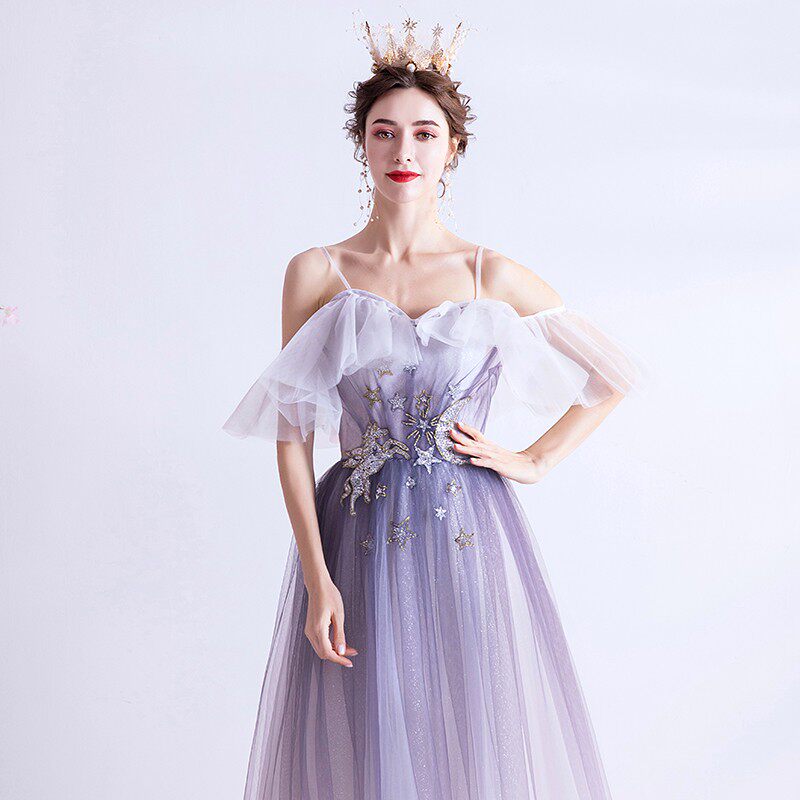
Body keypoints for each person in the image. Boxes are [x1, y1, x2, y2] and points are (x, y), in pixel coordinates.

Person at [223, 16, 648, 800]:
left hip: (468, 534)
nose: (405, 151)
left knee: (465, 733)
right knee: (369, 739)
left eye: (425, 134)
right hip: (355, 535)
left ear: (453, 147)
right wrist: (317, 579)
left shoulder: (491, 273)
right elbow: (292, 435)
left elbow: (610, 374)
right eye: (385, 133)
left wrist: (534, 459)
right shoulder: (317, 272)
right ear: (362, 145)